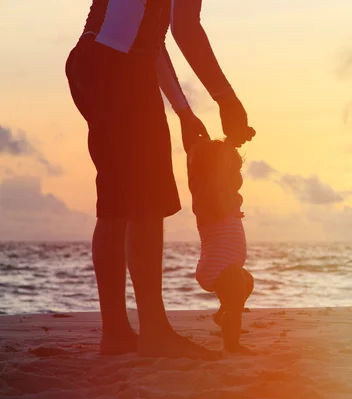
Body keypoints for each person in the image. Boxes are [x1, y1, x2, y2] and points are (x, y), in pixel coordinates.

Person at [65, 0, 255, 359]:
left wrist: (183, 111)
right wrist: (226, 99)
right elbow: (185, 29)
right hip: (122, 69)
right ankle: (153, 333)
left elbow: (150, 41)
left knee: (115, 204)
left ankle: (117, 334)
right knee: (147, 203)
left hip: (88, 63)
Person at [187, 137, 255, 354]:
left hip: (225, 267)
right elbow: (218, 174)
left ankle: (222, 316)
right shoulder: (211, 198)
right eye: (233, 169)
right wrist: (229, 138)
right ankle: (232, 344)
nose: (238, 175)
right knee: (236, 295)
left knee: (247, 281)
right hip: (219, 268)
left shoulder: (225, 197)